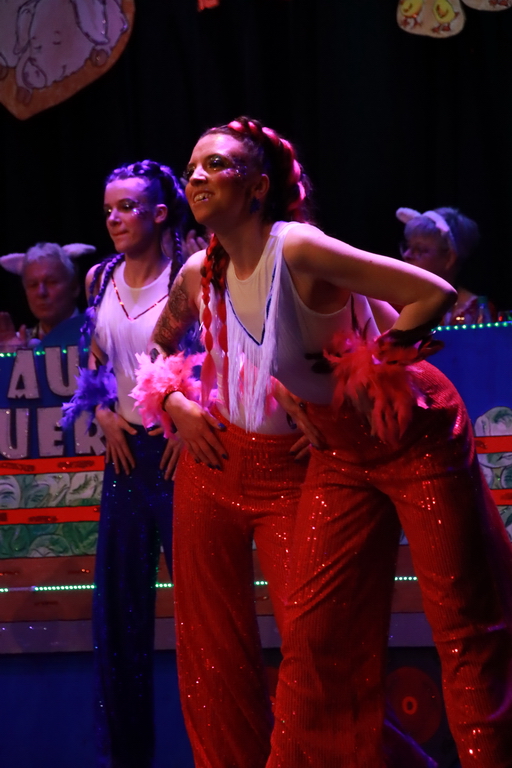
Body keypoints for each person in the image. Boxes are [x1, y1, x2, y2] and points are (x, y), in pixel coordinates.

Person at [129, 117, 511, 768]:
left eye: (215, 165)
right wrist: (179, 397)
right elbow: (177, 345)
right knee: (311, 649)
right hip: (338, 454)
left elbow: (431, 294)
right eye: (191, 167)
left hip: (413, 432)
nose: (196, 176)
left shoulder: (297, 247)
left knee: (463, 622)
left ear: (257, 186)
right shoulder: (205, 272)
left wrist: (377, 364)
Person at [65, 160, 187, 768]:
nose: (114, 219)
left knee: (199, 609)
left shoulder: (190, 273)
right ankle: (126, 758)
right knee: (118, 616)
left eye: (128, 208)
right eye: (108, 208)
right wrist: (104, 413)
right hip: (125, 454)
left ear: (160, 214)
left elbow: (217, 356)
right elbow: (93, 362)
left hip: (178, 452)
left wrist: (192, 424)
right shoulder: (101, 276)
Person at [397, 206, 494, 325]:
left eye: (419, 250)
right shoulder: (393, 304)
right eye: (407, 246)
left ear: (449, 259)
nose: (407, 255)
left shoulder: (479, 312)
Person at [0, 241, 94, 348]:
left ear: (74, 287)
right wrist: (14, 357)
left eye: (51, 282)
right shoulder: (18, 344)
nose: (41, 292)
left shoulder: (99, 336)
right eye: (33, 285)